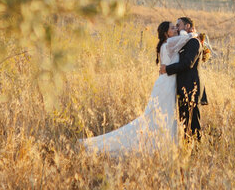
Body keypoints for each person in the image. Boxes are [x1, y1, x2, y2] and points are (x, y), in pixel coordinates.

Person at [81, 20, 193, 156]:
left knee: (165, 115)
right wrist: (192, 33)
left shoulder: (168, 43)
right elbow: (186, 38)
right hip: (166, 85)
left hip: (168, 83)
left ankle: (164, 145)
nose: (175, 29)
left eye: (176, 27)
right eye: (172, 28)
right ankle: (158, 146)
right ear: (165, 33)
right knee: (161, 115)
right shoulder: (169, 44)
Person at [160, 16, 207, 140]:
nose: (176, 27)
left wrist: (167, 69)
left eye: (178, 25)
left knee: (194, 123)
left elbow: (188, 63)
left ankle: (197, 149)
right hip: (183, 88)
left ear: (187, 26)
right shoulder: (185, 40)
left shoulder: (193, 42)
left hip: (191, 87)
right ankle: (188, 147)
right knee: (185, 122)